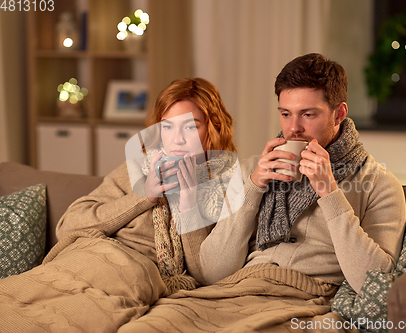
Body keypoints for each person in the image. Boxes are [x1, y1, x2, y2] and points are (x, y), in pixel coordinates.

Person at [115, 53, 406, 333]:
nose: (294, 128)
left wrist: (329, 192)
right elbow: (211, 273)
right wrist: (253, 187)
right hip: (233, 292)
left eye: (308, 114)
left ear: (339, 113)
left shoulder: (378, 183)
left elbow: (376, 286)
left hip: (303, 301)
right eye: (285, 114)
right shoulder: (252, 170)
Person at [0, 78, 239, 332]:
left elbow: (206, 275)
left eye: (190, 127)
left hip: (133, 278)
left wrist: (188, 205)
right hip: (89, 258)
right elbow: (68, 226)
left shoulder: (224, 187)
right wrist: (143, 197)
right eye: (168, 127)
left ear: (212, 129)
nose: (177, 139)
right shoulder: (137, 169)